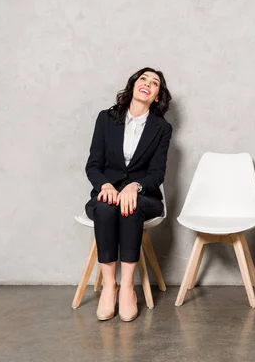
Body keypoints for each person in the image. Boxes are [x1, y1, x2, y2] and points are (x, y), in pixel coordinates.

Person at [85, 67, 172, 322]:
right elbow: (93, 165)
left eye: (154, 83)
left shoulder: (162, 129)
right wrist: (106, 186)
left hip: (145, 197)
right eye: (143, 79)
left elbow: (157, 173)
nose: (148, 83)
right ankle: (109, 286)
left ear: (156, 96)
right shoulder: (106, 118)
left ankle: (127, 289)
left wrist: (136, 186)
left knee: (130, 206)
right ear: (133, 85)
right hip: (107, 192)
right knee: (105, 207)